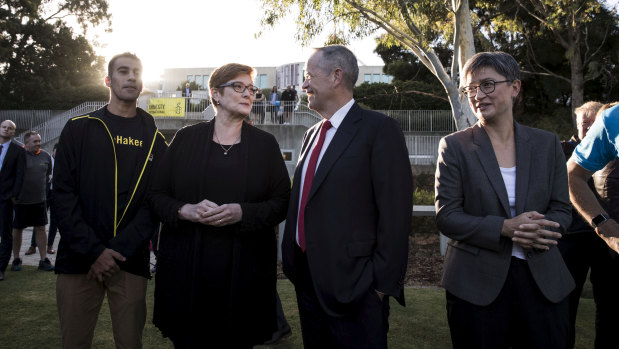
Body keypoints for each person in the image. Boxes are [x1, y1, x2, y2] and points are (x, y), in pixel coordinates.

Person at [435, 51, 573, 349]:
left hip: (543, 282)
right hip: (475, 286)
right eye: (470, 89)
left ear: (515, 87)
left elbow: (562, 209)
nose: (477, 95)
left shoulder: (546, 143)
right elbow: (447, 216)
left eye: (487, 85)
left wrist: (541, 228)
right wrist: (505, 228)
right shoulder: (455, 146)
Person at [149, 63, 290, 348]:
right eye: (238, 87)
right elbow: (155, 194)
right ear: (215, 94)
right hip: (189, 272)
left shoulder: (265, 145)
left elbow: (282, 202)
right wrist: (182, 210)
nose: (248, 94)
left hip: (244, 276)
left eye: (251, 88)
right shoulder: (186, 139)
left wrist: (244, 212)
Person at [281, 45, 412, 349]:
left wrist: (379, 287)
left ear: (336, 76)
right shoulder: (311, 134)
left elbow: (395, 214)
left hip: (357, 289)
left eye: (309, 76)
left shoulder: (379, 129)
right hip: (308, 283)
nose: (303, 85)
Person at [53, 52, 167, 349]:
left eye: (137, 72)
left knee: (130, 344)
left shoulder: (156, 140)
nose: (131, 77)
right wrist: (93, 252)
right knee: (74, 342)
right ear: (108, 79)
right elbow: (62, 195)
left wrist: (116, 252)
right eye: (123, 71)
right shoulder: (79, 128)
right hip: (79, 260)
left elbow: (154, 202)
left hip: (129, 261)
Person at [557, 101, 613, 348]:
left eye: (593, 123)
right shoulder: (561, 150)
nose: (589, 129)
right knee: (566, 301)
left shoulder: (612, 152)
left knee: (609, 303)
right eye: (584, 124)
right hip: (572, 236)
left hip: (605, 239)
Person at [11, 131, 54, 272]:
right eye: (35, 141)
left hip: (39, 201)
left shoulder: (45, 156)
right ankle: (16, 259)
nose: (39, 143)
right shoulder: (18, 156)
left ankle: (43, 260)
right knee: (17, 230)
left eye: (39, 141)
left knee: (41, 229)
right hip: (20, 202)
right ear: (26, 143)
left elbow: (48, 173)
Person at [0, 120, 25, 281]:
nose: (6, 129)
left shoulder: (17, 151)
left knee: (5, 234)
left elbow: (20, 175)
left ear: (13, 133)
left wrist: (13, 195)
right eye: (4, 127)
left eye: (10, 129)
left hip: (5, 199)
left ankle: (1, 268)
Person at [26, 142, 59, 256]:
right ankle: (33, 245)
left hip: (56, 194)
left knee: (55, 221)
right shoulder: (45, 159)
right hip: (44, 193)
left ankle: (50, 246)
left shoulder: (64, 162)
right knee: (38, 221)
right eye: (57, 152)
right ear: (53, 150)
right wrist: (49, 177)